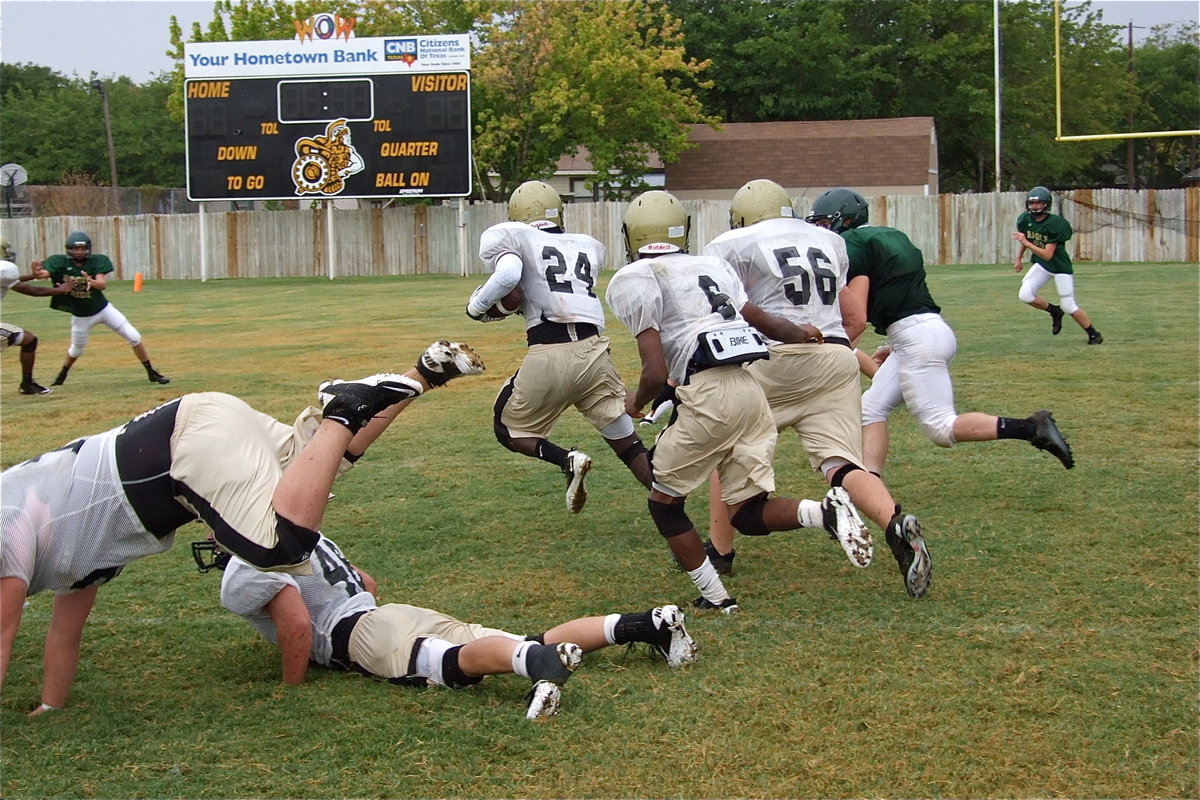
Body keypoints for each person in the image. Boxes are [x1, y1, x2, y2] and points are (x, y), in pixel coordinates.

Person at [0, 341, 484, 715]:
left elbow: (4, 630)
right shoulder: (67, 551)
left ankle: (340, 407)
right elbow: (65, 633)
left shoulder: (9, 525)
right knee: (315, 462)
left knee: (282, 546)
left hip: (175, 453)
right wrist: (51, 706)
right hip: (196, 422)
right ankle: (423, 373)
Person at [605, 190, 873, 615]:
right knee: (747, 512)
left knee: (663, 503)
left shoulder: (635, 277)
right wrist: (804, 333)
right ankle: (825, 513)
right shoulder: (712, 266)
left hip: (709, 395)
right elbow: (767, 323)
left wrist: (633, 403)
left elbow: (655, 372)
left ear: (632, 235)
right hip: (750, 392)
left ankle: (717, 598)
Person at [702, 180, 930, 598]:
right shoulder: (828, 242)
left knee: (726, 447)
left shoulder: (733, 244)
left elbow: (723, 310)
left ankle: (720, 552)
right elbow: (853, 316)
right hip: (834, 356)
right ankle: (895, 522)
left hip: (774, 360)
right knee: (841, 463)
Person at [203, 532, 696, 720]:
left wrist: (292, 685)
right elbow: (366, 581)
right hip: (386, 612)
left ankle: (540, 666)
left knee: (452, 666)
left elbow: (295, 627)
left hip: (359, 635)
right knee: (520, 638)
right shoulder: (301, 529)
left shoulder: (244, 565)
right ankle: (646, 624)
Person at [804, 188, 1076, 492]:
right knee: (871, 408)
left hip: (916, 339)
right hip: (923, 331)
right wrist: (895, 343)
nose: (822, 229)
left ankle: (1031, 427)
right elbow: (904, 298)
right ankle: (871, 483)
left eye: (827, 221)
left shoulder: (852, 243)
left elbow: (858, 309)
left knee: (940, 428)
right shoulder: (893, 235)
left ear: (845, 218)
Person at [466, 180, 652, 513]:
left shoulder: (515, 240)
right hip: (594, 353)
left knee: (507, 428)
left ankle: (566, 459)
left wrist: (476, 308)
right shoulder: (584, 246)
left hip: (548, 351)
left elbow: (509, 280)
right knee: (628, 445)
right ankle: (668, 498)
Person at [31, 230, 170, 386]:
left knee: (134, 336)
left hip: (102, 309)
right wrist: (37, 273)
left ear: (88, 249)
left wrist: (92, 281)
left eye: (83, 249)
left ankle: (151, 372)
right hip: (81, 315)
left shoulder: (97, 261)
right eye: (76, 249)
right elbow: (44, 274)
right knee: (77, 349)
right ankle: (62, 374)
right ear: (69, 249)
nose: (80, 252)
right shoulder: (59, 262)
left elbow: (102, 284)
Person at [1013, 186, 1103, 345]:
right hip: (1043, 265)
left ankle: (1093, 334)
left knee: (1069, 305)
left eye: (1039, 203)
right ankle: (1054, 311)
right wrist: (1019, 258)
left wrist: (1025, 242)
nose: (1035, 207)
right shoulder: (1026, 220)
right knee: (1025, 294)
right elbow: (1027, 240)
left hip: (1059, 266)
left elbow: (1047, 254)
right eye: (1032, 203)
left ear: (1046, 204)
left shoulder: (1055, 224)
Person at [1, 235, 72, 394]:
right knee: (28, 340)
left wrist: (33, 276)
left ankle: (27, 384)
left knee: (28, 340)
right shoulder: (4, 269)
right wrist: (61, 290)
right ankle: (27, 384)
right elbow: (33, 291)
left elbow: (10, 281)